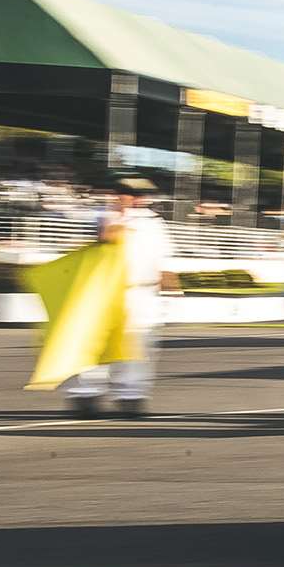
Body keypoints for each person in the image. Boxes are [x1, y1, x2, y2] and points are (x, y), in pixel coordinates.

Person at [62, 174, 176, 417]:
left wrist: (169, 289)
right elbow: (102, 241)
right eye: (128, 194)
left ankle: (130, 396)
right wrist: (118, 216)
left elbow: (163, 260)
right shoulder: (103, 216)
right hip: (105, 290)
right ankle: (87, 393)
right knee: (96, 344)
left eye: (139, 195)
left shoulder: (155, 223)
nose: (135, 199)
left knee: (138, 346)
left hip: (142, 292)